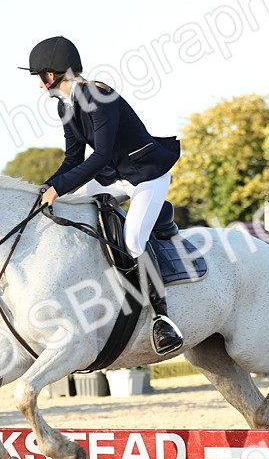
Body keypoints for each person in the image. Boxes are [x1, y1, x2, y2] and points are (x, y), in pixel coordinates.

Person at [20, 35, 184, 355]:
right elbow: (73, 159)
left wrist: (58, 188)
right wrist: (43, 188)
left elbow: (100, 155)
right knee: (71, 205)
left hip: (145, 176)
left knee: (134, 240)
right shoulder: (64, 105)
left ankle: (161, 317)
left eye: (40, 77)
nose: (39, 85)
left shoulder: (98, 96)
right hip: (114, 176)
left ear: (52, 74)